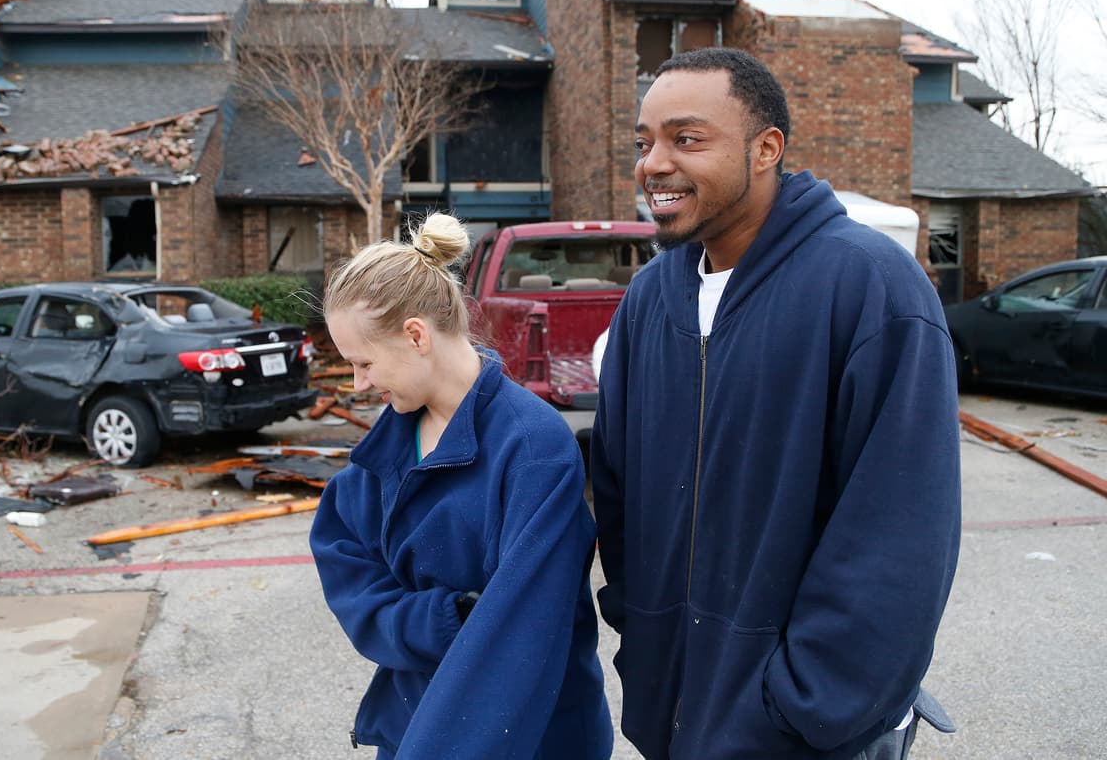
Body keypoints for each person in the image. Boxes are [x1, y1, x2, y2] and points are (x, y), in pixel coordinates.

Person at [591, 47, 961, 760]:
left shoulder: (868, 286)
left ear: (766, 150)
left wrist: (807, 704)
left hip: (810, 733)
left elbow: (900, 531)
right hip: (675, 712)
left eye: (686, 138)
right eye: (644, 142)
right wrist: (642, 637)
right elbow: (619, 492)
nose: (652, 163)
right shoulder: (649, 301)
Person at [310, 212, 613, 760]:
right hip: (414, 726)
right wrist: (447, 619)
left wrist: (427, 620)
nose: (357, 384)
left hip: (526, 739)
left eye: (363, 363)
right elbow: (348, 568)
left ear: (416, 335)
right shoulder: (389, 445)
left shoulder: (534, 450)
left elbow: (516, 642)